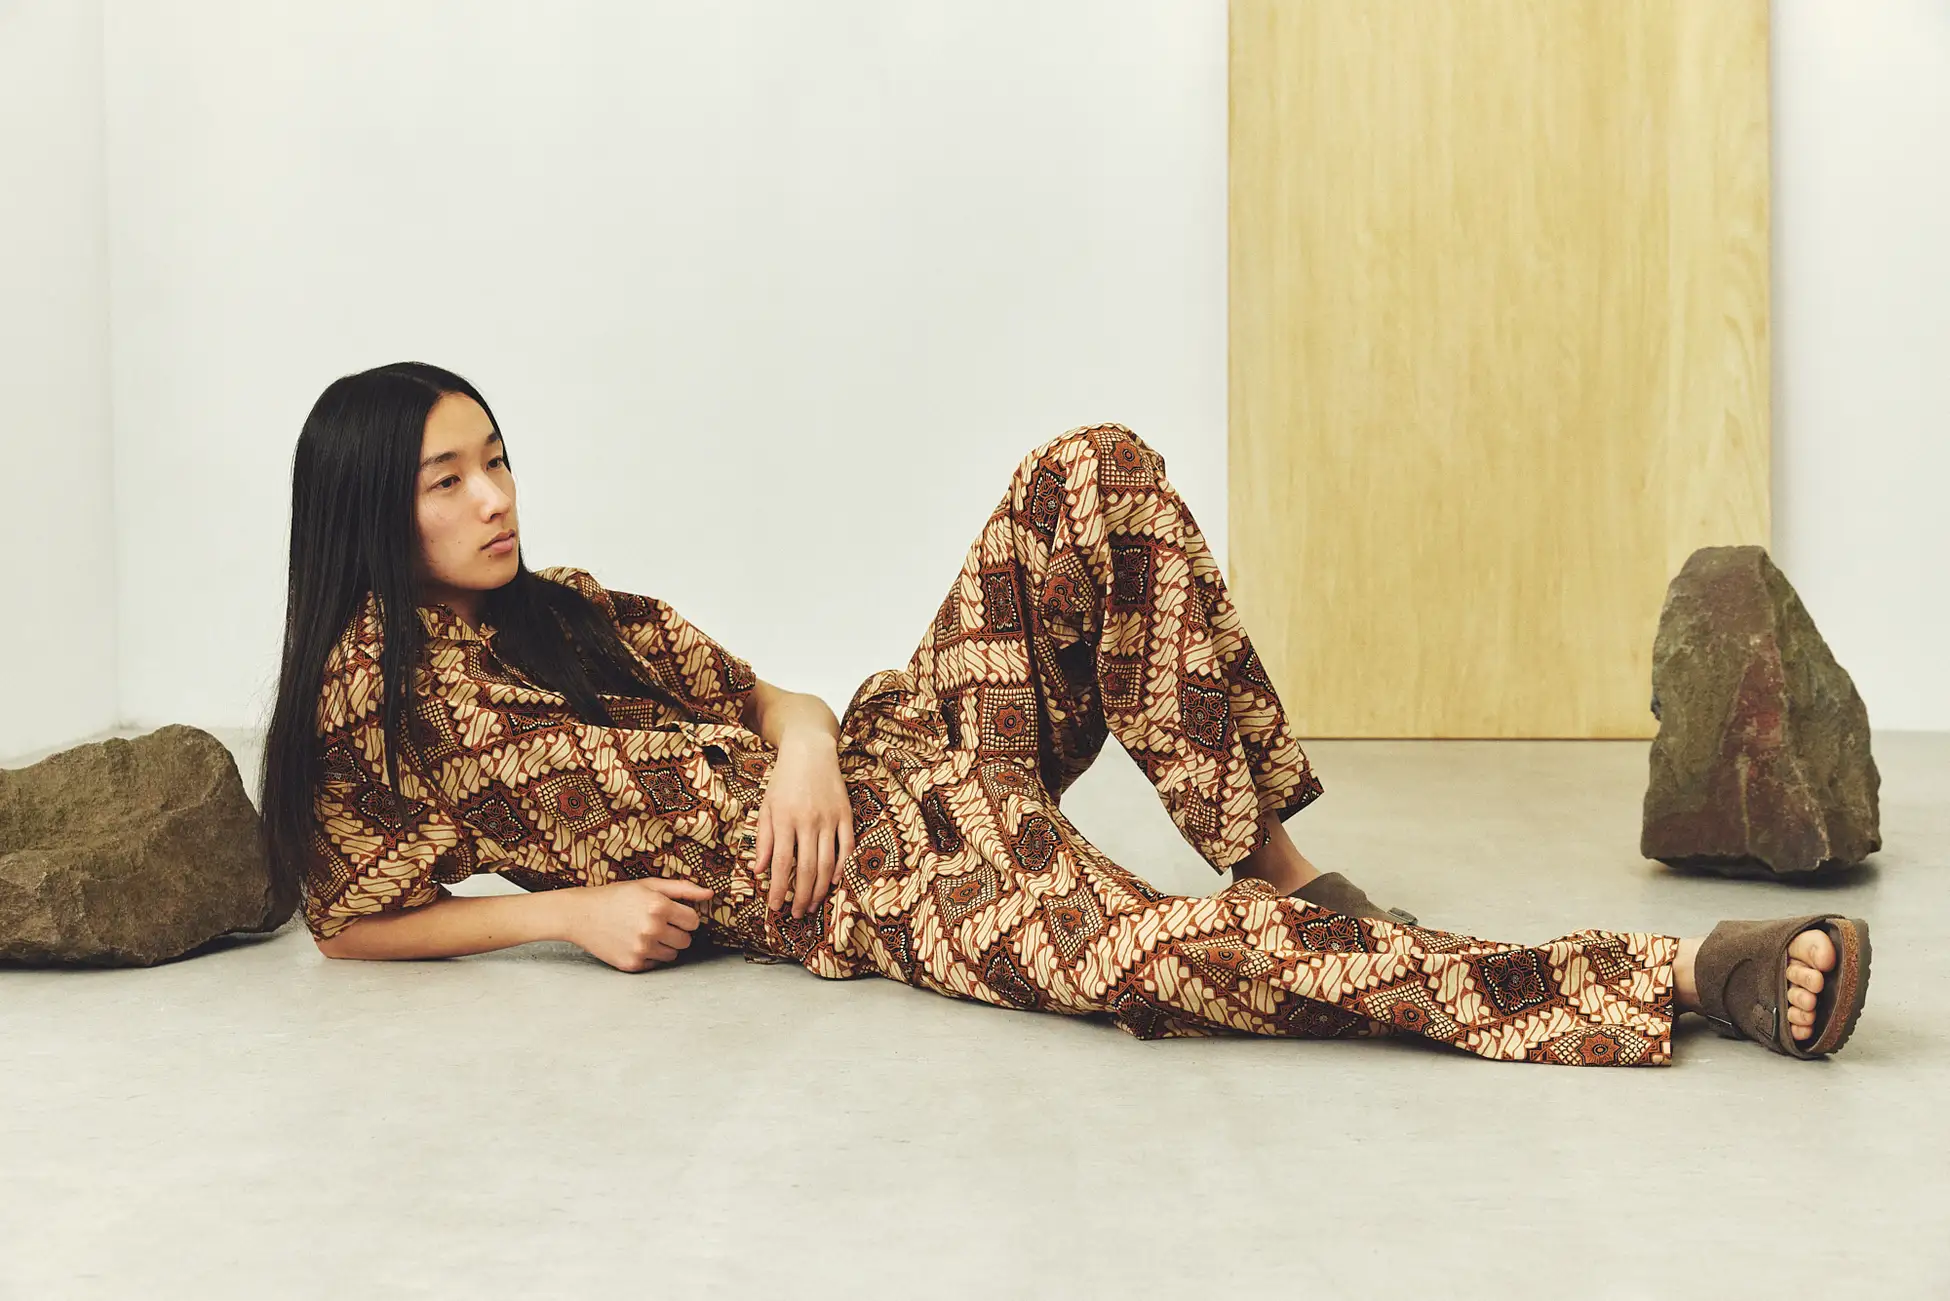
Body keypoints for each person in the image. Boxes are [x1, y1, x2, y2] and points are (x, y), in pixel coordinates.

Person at [261, 362, 1872, 1065]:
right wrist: (570, 912)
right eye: (446, 480)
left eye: (496, 459)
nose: (494, 498)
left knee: (1090, 473)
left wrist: (807, 741)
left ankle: (1287, 873)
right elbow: (352, 922)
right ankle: (1682, 979)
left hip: (892, 752)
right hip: (880, 886)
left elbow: (767, 694)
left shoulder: (559, 602)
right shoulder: (366, 705)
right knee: (1166, 969)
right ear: (366, 508)